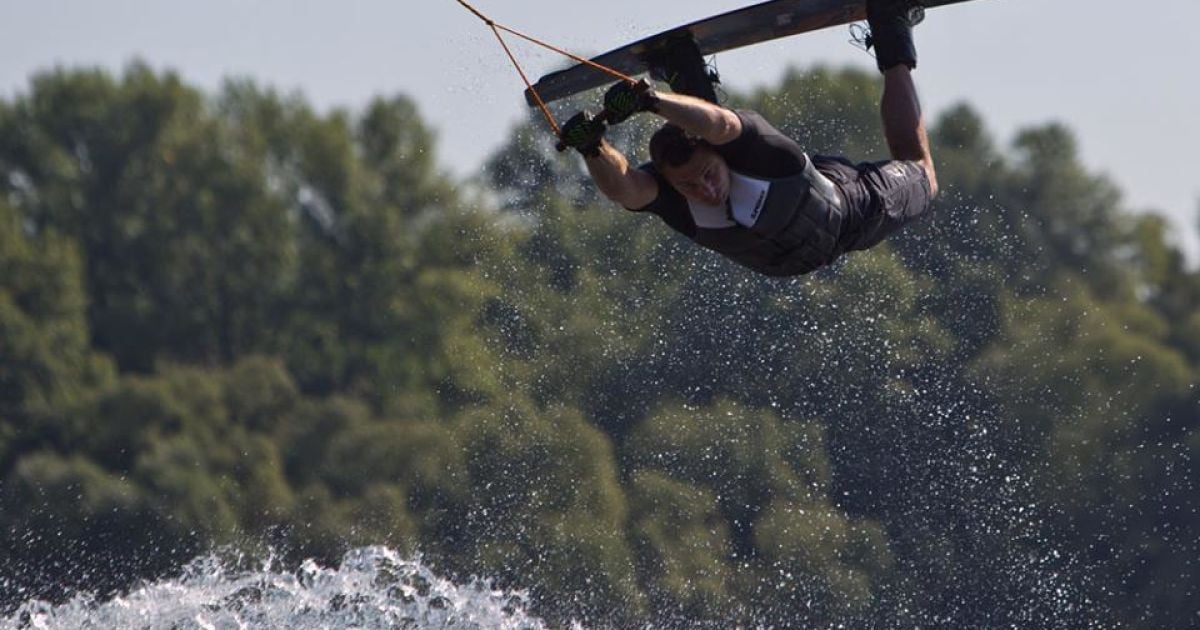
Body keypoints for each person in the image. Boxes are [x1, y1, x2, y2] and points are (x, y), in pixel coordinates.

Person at [557, 0, 939, 277]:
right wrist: (593, 147)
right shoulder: (675, 195)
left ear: (718, 157)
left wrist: (650, 100)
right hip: (799, 252)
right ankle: (680, 64)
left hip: (849, 207)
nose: (704, 190)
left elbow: (720, 127)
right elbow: (627, 189)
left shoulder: (765, 153)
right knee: (696, 149)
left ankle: (891, 23)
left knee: (923, 173)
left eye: (707, 173)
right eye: (688, 185)